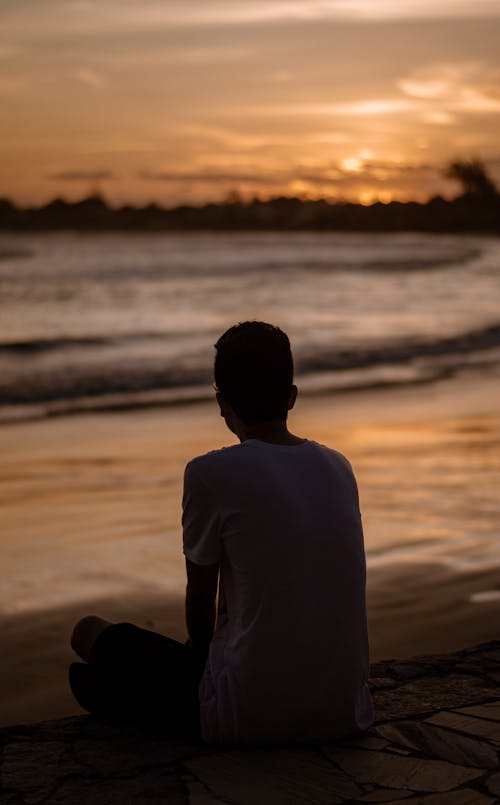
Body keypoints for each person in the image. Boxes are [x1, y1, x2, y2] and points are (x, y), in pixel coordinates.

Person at [69, 321, 373, 745]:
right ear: (291, 396)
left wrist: (195, 669)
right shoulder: (339, 467)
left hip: (251, 714)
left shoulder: (209, 474)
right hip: (345, 710)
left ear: (221, 402)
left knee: (87, 631)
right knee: (109, 673)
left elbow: (200, 604)